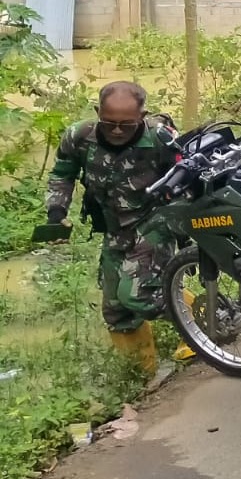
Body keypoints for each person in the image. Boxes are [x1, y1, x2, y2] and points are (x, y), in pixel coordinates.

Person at [45, 81, 181, 371]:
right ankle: (139, 373)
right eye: (109, 123)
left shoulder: (160, 138)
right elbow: (62, 173)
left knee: (136, 294)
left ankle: (213, 319)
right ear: (97, 112)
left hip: (156, 220)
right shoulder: (79, 137)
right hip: (114, 225)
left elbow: (186, 178)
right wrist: (56, 214)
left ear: (142, 116)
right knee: (116, 308)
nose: (117, 131)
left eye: (127, 124)